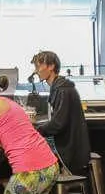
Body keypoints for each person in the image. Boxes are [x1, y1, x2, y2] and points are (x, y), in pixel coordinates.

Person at [29, 50, 91, 179]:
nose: (36, 71)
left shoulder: (62, 90)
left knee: (28, 153)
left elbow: (58, 124)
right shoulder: (62, 87)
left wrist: (36, 130)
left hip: (68, 151)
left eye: (38, 66)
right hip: (72, 147)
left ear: (51, 66)